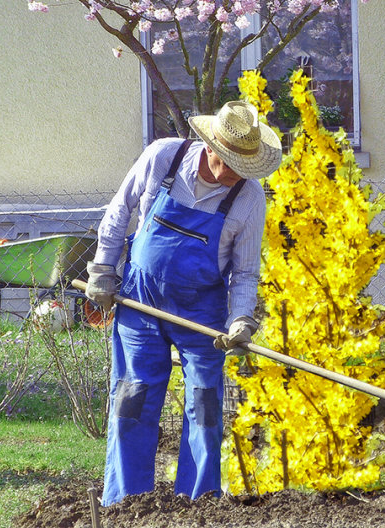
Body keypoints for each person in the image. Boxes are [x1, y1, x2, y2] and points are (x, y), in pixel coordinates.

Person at [86, 100, 282, 506]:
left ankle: (198, 507)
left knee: (205, 410)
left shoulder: (248, 198)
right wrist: (103, 270)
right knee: (131, 401)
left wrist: (241, 319)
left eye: (242, 168)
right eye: (228, 164)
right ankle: (127, 504)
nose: (233, 176)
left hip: (202, 316)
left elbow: (244, 272)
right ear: (210, 146)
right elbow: (120, 210)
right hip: (140, 303)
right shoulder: (164, 158)